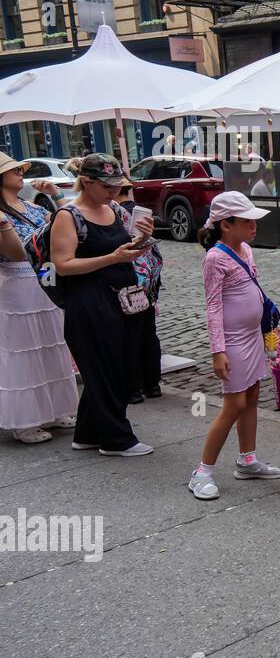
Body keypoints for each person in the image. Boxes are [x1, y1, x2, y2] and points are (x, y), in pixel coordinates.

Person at [49, 153, 154, 456]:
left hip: (121, 297)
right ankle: (116, 438)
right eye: (107, 186)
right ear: (87, 182)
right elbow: (63, 264)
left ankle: (87, 433)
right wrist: (113, 258)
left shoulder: (115, 210)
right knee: (104, 367)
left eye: (116, 186)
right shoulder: (69, 216)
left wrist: (141, 239)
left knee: (118, 364)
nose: (113, 192)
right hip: (89, 301)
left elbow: (123, 247)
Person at [190, 192, 280, 499]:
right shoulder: (215, 258)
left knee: (253, 395)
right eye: (247, 221)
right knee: (233, 405)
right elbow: (213, 307)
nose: (254, 226)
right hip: (232, 341)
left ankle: (247, 459)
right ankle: (202, 471)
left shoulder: (244, 249)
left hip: (250, 337)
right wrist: (218, 351)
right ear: (226, 225)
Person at [0, 153, 79, 444]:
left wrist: (57, 194)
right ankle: (26, 420)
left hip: (46, 277)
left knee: (53, 343)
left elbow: (68, 222)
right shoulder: (3, 215)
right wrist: (5, 227)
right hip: (18, 282)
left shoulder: (31, 207)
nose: (21, 174)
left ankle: (58, 409)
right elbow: (18, 253)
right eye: (14, 171)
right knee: (25, 350)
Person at [117, 184, 164, 404]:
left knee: (129, 337)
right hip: (146, 287)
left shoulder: (114, 214)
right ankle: (152, 383)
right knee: (147, 334)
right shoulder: (140, 212)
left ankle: (134, 387)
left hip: (128, 287)